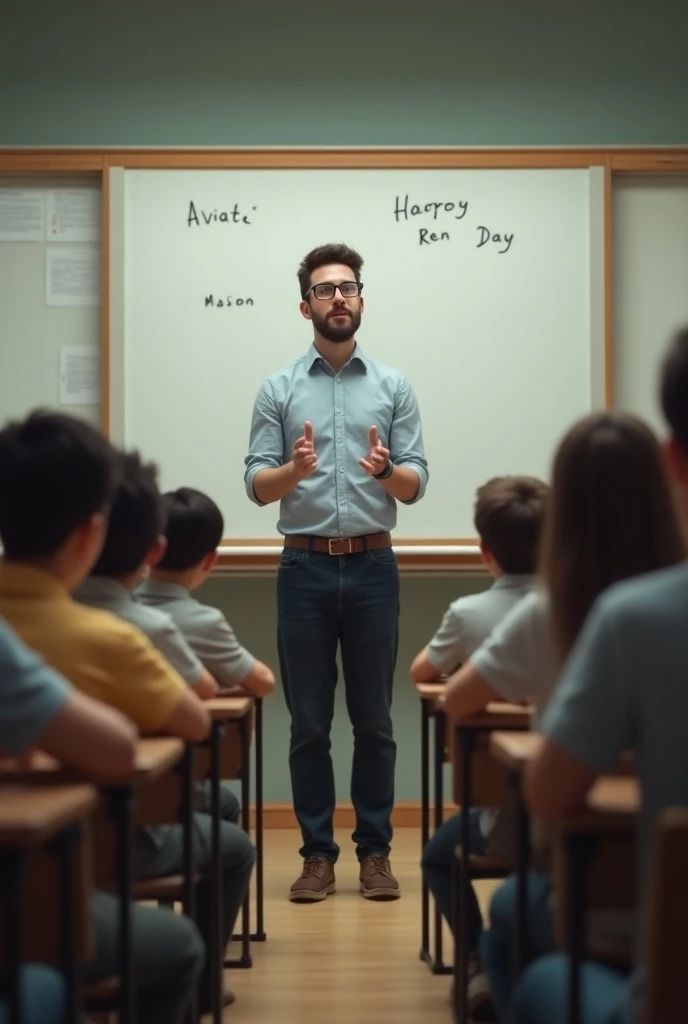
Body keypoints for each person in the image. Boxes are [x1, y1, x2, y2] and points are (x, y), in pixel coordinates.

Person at [0, 410, 254, 1012]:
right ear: (91, 534)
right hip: (45, 876)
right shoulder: (106, 638)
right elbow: (184, 727)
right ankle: (205, 987)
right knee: (181, 935)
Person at [442, 410, 686, 1022]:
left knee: (515, 926)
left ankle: (481, 978)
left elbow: (548, 796)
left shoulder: (619, 617)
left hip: (627, 914)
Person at [510, 326, 688, 1024]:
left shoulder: (637, 620)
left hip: (668, 989)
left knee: (537, 968)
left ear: (675, 458)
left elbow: (551, 797)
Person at [245, 242, 428, 902]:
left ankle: (374, 855)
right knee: (309, 725)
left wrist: (384, 470)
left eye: (349, 287)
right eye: (325, 290)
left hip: (375, 565)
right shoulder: (278, 388)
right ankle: (317, 857)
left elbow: (414, 486)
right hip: (304, 569)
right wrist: (294, 471)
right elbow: (256, 486)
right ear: (306, 306)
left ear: (361, 299)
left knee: (375, 721)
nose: (339, 297)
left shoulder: (394, 386)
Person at [0, 616, 205, 1024]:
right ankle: (211, 994)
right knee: (176, 943)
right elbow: (124, 745)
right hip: (41, 888)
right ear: (83, 547)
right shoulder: (112, 634)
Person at [411, 475, 548, 1018]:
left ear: (484, 551)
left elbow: (425, 674)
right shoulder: (590, 611)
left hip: (508, 819)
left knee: (440, 855)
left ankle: (473, 960)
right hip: (593, 820)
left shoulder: (469, 613)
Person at [74, 452, 240, 824]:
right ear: (152, 550)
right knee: (229, 827)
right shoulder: (141, 630)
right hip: (127, 823)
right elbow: (199, 714)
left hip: (41, 832)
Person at [137, 486, 275, 696]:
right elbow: (263, 682)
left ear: (149, 549)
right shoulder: (204, 623)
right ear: (210, 560)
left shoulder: (115, 611)